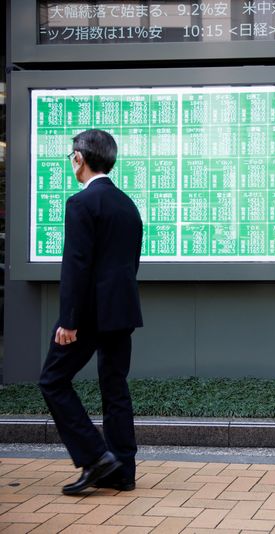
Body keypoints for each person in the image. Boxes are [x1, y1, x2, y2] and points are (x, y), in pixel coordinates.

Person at [39, 129, 143, 495]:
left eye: (72, 156)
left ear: (80, 159)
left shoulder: (81, 204)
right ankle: (123, 471)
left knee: (52, 381)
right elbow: (131, 263)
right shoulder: (128, 204)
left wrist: (69, 320)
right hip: (122, 311)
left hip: (87, 316)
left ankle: (96, 457)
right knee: (115, 387)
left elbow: (76, 265)